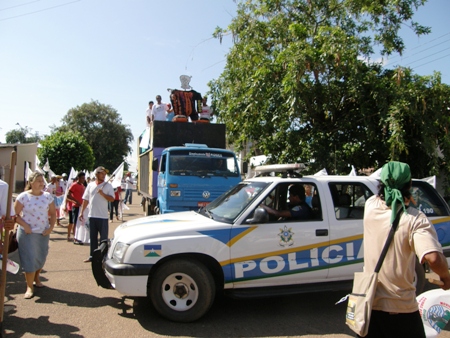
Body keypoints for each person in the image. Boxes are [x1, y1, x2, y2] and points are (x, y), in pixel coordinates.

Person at [362, 161, 450, 338]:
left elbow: (385, 200)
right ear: (409, 184)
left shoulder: (370, 206)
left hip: (369, 304)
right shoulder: (415, 219)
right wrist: (446, 277)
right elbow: (433, 258)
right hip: (401, 309)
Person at [14, 171, 56, 299]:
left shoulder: (48, 196)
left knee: (41, 257)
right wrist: (25, 226)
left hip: (42, 233)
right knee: (30, 259)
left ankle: (36, 277)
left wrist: (50, 228)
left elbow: (53, 214)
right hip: (28, 234)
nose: (41, 183)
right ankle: (29, 286)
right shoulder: (23, 197)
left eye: (42, 181)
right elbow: (14, 215)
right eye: (38, 181)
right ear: (31, 182)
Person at [79, 166, 114, 263]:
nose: (104, 175)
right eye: (102, 173)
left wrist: (102, 194)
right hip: (92, 216)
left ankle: (103, 257)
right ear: (96, 174)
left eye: (105, 173)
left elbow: (112, 199)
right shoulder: (90, 185)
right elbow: (86, 199)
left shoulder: (108, 186)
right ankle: (92, 256)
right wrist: (82, 212)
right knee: (93, 238)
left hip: (103, 217)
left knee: (103, 239)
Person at [67, 172, 86, 243]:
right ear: (78, 178)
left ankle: (78, 236)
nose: (83, 179)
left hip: (81, 206)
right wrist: (75, 201)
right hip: (75, 206)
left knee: (80, 222)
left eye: (84, 178)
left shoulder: (82, 186)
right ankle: (75, 237)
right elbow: (68, 195)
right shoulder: (74, 185)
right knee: (75, 222)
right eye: (82, 178)